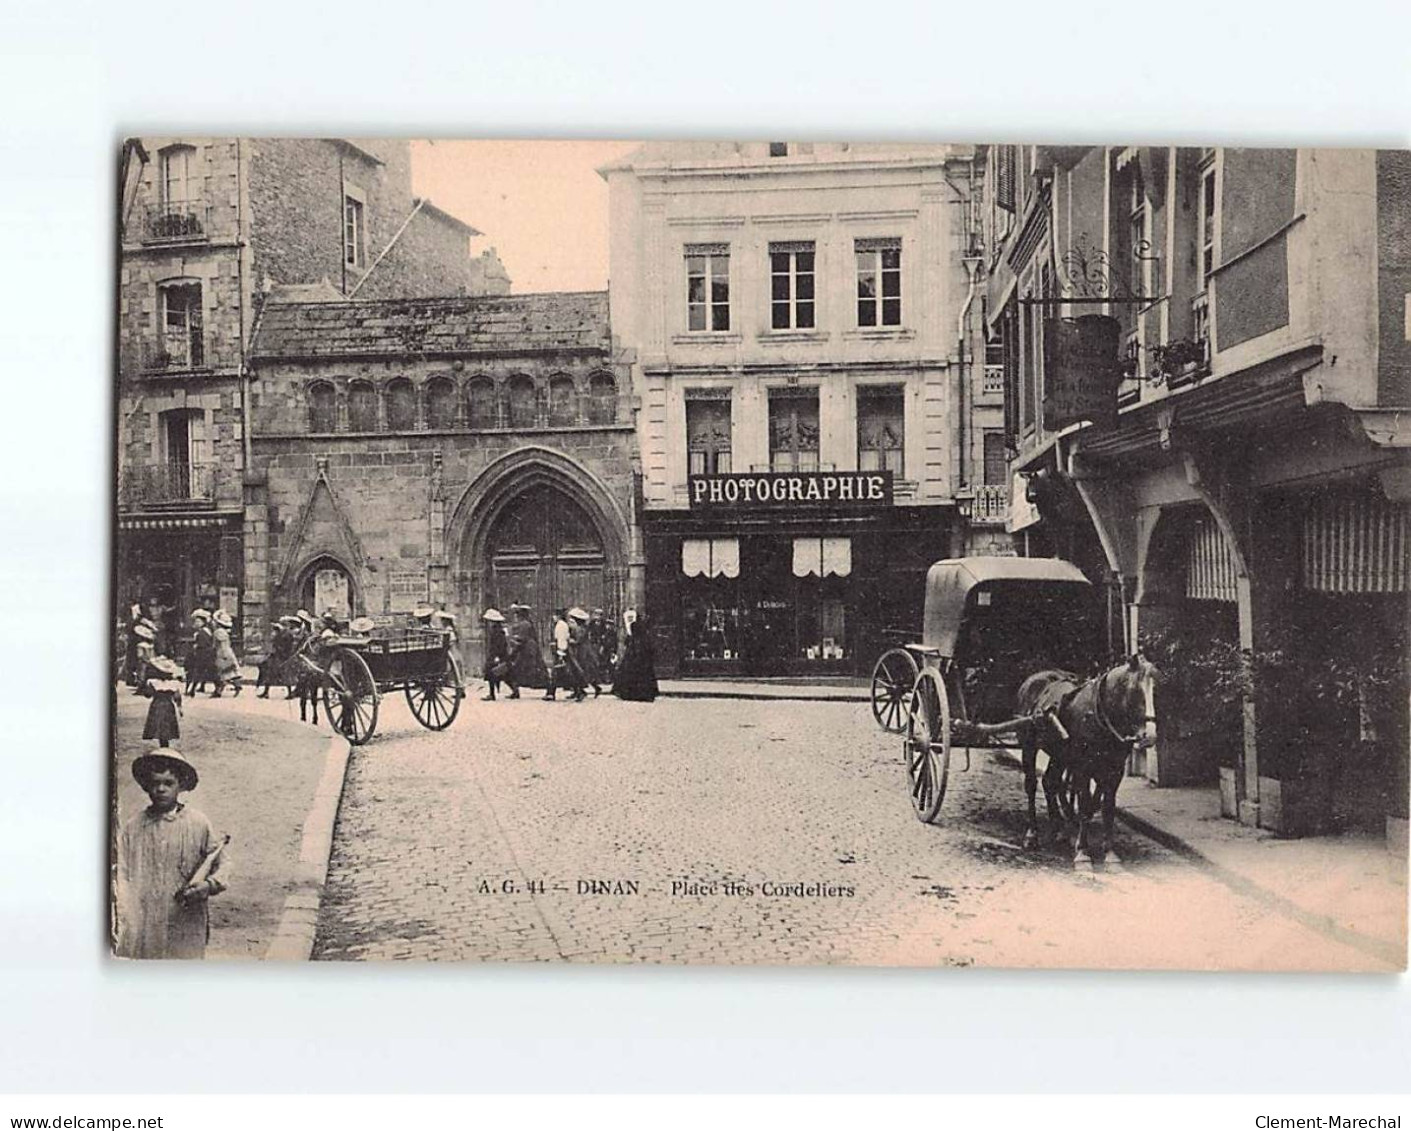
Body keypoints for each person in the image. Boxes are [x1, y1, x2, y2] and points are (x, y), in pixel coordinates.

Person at [115, 748, 227, 960]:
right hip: (145, 921)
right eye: (155, 783)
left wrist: (208, 885)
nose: (161, 789)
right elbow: (121, 872)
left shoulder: (197, 823)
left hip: (185, 920)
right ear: (146, 786)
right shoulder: (134, 828)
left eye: (168, 783)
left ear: (181, 785)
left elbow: (222, 863)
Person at [613, 609, 659, 702]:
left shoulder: (636, 639)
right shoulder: (643, 638)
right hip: (643, 663)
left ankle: (632, 693)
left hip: (637, 661)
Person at [140, 655, 185, 747]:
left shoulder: (153, 682)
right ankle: (165, 742)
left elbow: (148, 694)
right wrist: (180, 708)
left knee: (158, 725)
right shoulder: (173, 683)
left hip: (156, 705)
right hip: (169, 705)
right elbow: (177, 697)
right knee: (167, 725)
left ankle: (162, 743)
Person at [544, 608, 585, 701]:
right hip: (563, 650)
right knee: (565, 673)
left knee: (562, 673)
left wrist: (560, 651)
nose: (553, 617)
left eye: (555, 615)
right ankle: (577, 691)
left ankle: (552, 693)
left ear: (558, 616)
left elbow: (561, 639)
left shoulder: (561, 626)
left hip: (562, 651)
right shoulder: (562, 625)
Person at [505, 604, 548, 692]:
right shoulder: (528, 623)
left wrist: (513, 641)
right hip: (529, 647)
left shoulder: (524, 624)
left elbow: (522, 638)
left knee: (522, 668)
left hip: (527, 649)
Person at [209, 610, 242, 698]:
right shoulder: (224, 631)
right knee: (230, 672)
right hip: (228, 652)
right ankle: (236, 686)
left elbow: (219, 644)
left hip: (222, 653)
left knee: (221, 672)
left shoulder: (218, 632)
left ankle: (219, 690)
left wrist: (222, 655)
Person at [570, 607, 601, 698]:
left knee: (580, 670)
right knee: (582, 671)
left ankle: (581, 690)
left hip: (583, 651)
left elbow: (578, 640)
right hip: (583, 650)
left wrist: (571, 640)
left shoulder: (581, 629)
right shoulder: (582, 628)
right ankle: (581, 690)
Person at [481, 608, 511, 700]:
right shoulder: (498, 630)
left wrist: (496, 657)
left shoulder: (497, 631)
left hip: (497, 655)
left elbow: (499, 645)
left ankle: (492, 694)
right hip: (498, 655)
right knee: (503, 674)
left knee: (493, 674)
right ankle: (514, 690)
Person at [186, 610, 215, 696]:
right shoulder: (204, 631)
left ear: (203, 622)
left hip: (203, 654)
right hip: (205, 654)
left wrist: (196, 646)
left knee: (200, 672)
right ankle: (196, 688)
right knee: (204, 672)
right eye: (196, 621)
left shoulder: (203, 632)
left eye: (198, 621)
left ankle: (192, 690)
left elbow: (203, 644)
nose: (196, 623)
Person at [587, 608, 618, 686]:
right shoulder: (591, 623)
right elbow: (589, 632)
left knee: (604, 662)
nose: (597, 616)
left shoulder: (604, 624)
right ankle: (595, 678)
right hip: (594, 644)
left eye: (599, 615)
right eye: (596, 614)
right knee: (594, 661)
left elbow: (607, 635)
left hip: (603, 645)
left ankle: (604, 678)